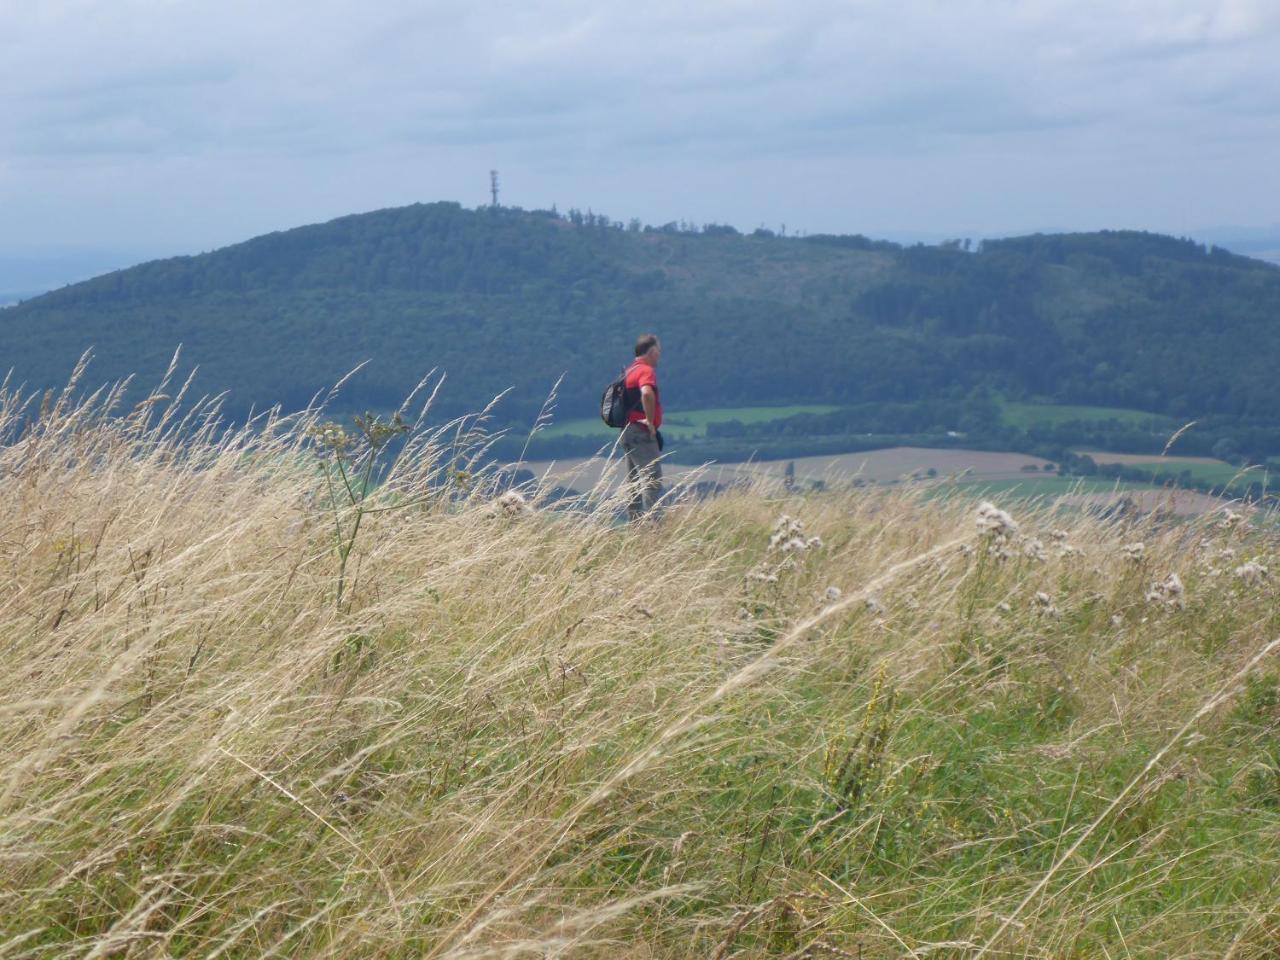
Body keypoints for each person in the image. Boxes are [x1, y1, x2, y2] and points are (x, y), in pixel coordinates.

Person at [621, 333, 664, 521]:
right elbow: (647, 393)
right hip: (641, 433)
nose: (660, 356)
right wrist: (650, 421)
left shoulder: (628, 371)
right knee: (652, 481)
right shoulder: (646, 371)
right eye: (659, 351)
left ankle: (636, 529)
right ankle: (655, 532)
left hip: (627, 431)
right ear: (652, 352)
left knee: (634, 483)